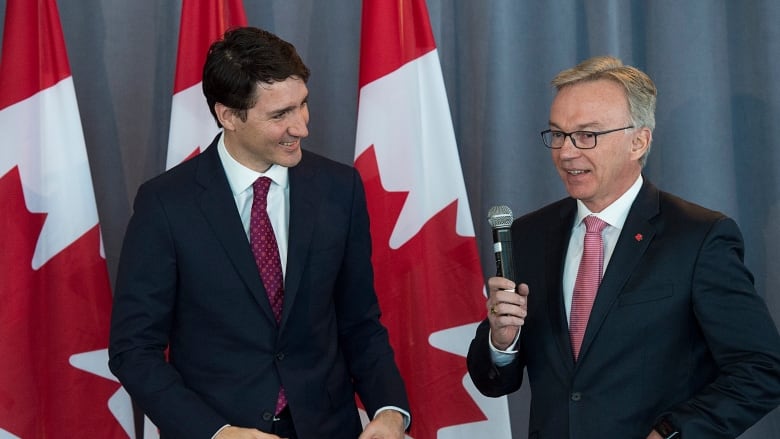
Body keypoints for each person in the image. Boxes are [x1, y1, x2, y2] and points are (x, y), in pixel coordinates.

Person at [109, 27, 410, 439]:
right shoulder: (165, 205)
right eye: (279, 114)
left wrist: (390, 411)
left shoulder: (340, 189)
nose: (301, 127)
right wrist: (217, 432)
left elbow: (360, 322)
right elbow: (134, 351)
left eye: (302, 105)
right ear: (229, 115)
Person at [467, 55, 780, 438]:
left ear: (638, 142)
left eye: (587, 136)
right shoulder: (529, 235)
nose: (566, 152)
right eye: (558, 134)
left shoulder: (698, 237)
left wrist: (671, 434)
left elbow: (761, 369)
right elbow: (494, 381)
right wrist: (502, 341)